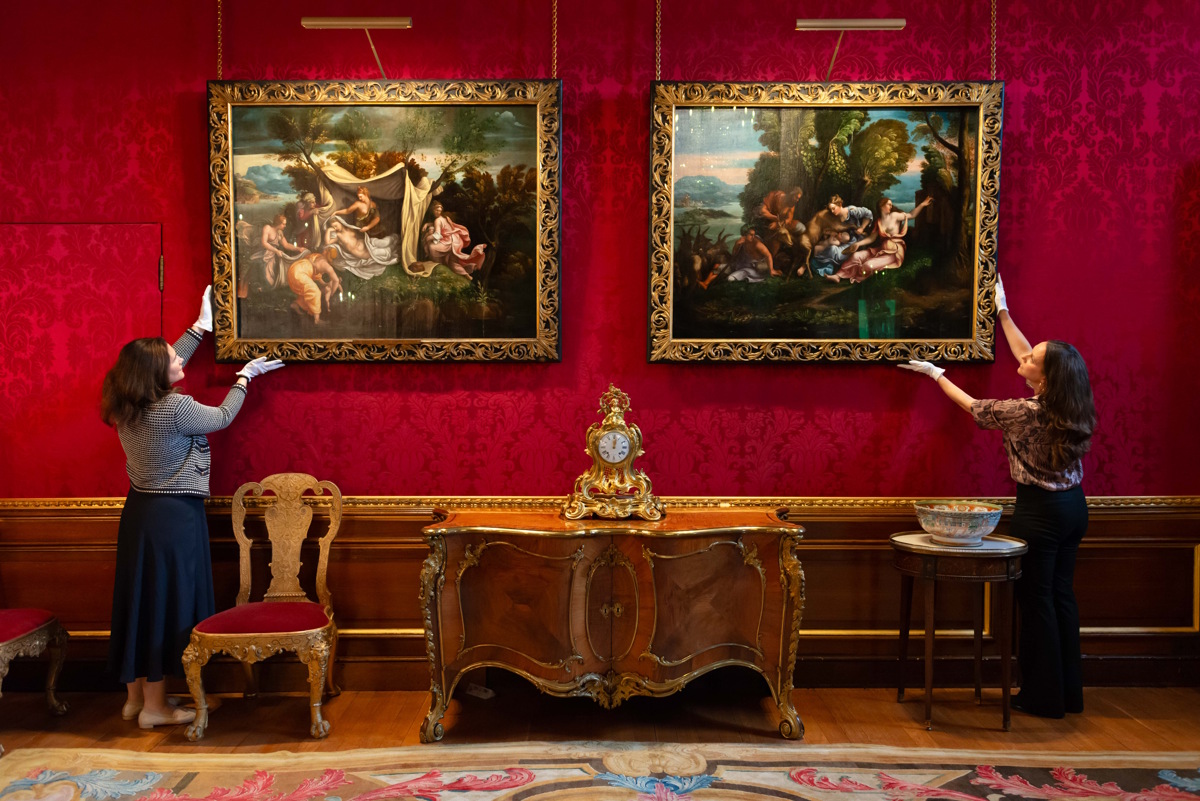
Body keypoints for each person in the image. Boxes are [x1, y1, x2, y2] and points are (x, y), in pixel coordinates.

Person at [898, 275, 1096, 719]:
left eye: (1032, 360)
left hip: (1040, 513)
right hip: (1073, 509)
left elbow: (971, 406)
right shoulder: (1072, 401)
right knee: (1061, 596)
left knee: (1037, 602)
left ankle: (1042, 698)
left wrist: (936, 374)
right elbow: (1025, 349)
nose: (1024, 357)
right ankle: (1068, 694)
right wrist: (1002, 311)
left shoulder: (1025, 412)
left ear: (1044, 378)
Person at [101, 287, 285, 728]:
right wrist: (245, 377)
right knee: (166, 604)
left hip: (140, 515)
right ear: (157, 374)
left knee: (141, 602)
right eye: (175, 359)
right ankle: (155, 709)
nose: (181, 361)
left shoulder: (126, 403)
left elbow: (160, 364)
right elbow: (220, 418)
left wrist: (199, 328)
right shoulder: (174, 408)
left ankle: (134, 699)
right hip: (173, 518)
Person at [827, 195, 932, 283]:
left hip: (893, 252)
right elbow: (872, 238)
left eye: (891, 204)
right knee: (856, 255)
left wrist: (923, 204)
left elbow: (911, 215)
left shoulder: (895, 216)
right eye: (888, 204)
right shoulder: (879, 221)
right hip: (880, 249)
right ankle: (838, 276)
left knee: (867, 265)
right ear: (882, 206)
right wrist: (858, 244)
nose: (891, 206)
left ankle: (857, 276)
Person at [423, 201, 487, 276]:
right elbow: (440, 225)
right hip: (456, 239)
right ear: (432, 210)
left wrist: (427, 239)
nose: (438, 212)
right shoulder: (445, 217)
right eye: (436, 210)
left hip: (449, 242)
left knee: (432, 247)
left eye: (439, 211)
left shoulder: (437, 220)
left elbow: (437, 235)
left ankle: (438, 265)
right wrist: (427, 224)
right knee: (452, 262)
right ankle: (466, 274)